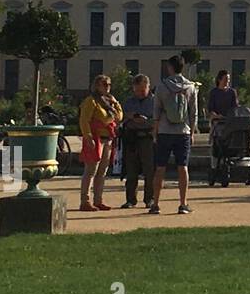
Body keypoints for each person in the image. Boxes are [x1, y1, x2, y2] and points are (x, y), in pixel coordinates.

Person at [150, 54, 198, 214]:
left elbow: (156, 110)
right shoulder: (190, 87)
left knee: (160, 168)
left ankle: (155, 204)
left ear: (170, 67)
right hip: (183, 131)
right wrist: (192, 131)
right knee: (182, 167)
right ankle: (183, 203)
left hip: (164, 130)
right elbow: (193, 112)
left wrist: (155, 130)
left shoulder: (162, 86)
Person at [78, 74, 122, 212]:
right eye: (104, 84)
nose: (107, 87)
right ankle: (85, 201)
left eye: (109, 84)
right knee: (91, 170)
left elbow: (119, 116)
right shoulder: (91, 101)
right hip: (95, 139)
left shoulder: (109, 101)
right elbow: (84, 120)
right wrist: (88, 136)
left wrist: (115, 103)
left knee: (102, 172)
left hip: (107, 138)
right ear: (97, 85)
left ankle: (98, 200)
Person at [121, 74, 158, 208]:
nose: (140, 93)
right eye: (137, 90)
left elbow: (158, 120)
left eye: (142, 90)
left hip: (148, 138)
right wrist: (129, 117)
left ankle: (150, 199)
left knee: (150, 171)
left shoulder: (155, 102)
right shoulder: (129, 102)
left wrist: (146, 120)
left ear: (148, 87)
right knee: (131, 170)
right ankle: (130, 199)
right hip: (132, 138)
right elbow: (122, 118)